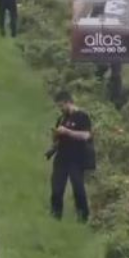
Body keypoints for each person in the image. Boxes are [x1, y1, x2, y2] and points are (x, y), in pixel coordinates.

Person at [48, 90, 92, 221]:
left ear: (68, 102)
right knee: (56, 189)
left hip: (76, 159)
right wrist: (55, 136)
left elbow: (86, 135)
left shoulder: (82, 116)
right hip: (61, 158)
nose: (60, 109)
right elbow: (56, 139)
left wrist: (67, 132)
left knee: (78, 189)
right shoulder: (61, 118)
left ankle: (82, 217)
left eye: (62, 106)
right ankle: (55, 216)